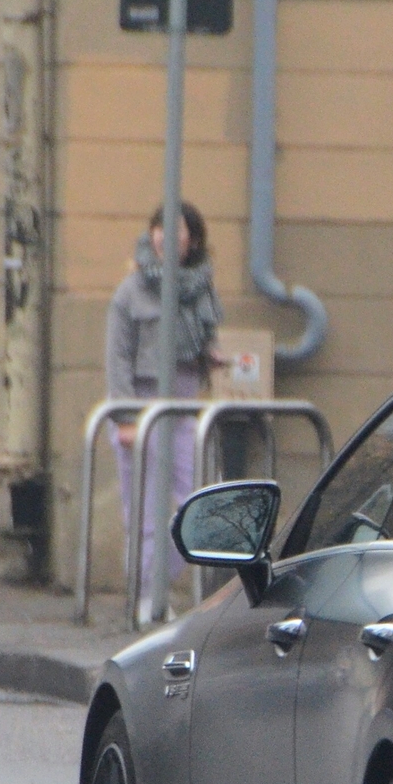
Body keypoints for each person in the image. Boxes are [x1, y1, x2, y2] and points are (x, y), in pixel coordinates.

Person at [104, 201, 223, 622]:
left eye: (178, 231)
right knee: (146, 509)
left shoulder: (201, 287)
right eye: (160, 229)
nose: (166, 238)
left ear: (192, 240)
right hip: (143, 407)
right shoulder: (131, 290)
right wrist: (124, 419)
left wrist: (211, 356)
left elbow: (197, 336)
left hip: (186, 405)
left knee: (197, 500)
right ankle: (147, 599)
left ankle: (159, 584)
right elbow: (117, 357)